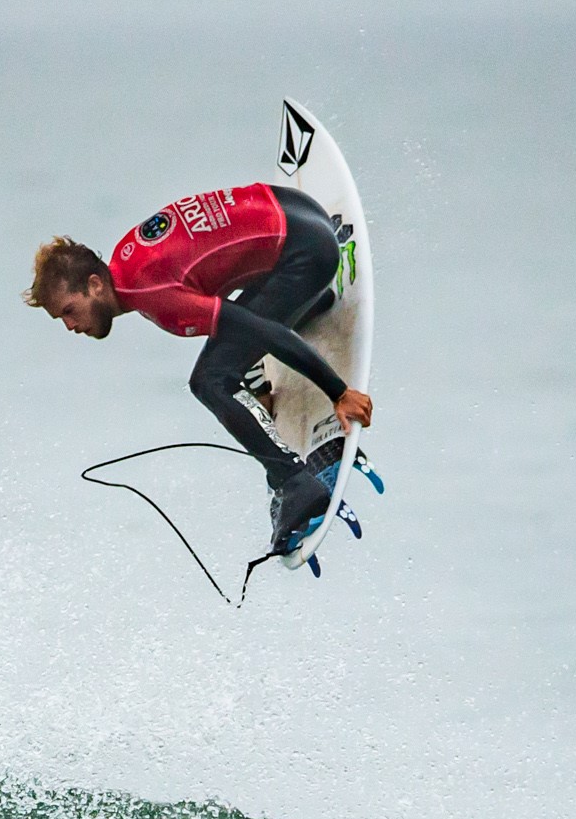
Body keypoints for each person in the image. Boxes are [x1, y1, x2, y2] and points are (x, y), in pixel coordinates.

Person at [26, 184, 373, 552]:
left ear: (94, 285)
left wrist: (338, 391)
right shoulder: (127, 259)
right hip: (303, 212)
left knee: (209, 380)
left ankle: (294, 482)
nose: (69, 326)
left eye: (68, 310)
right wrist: (255, 386)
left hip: (306, 255)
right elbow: (223, 279)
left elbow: (261, 331)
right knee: (231, 331)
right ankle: (312, 302)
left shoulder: (149, 293)